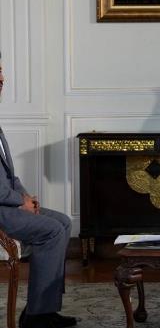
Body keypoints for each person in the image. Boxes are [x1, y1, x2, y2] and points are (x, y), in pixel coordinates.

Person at [0, 63, 77, 328]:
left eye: (1, 73)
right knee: (52, 231)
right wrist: (19, 202)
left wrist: (25, 197)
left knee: (63, 222)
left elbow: (9, 176)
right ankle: (36, 316)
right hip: (2, 209)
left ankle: (44, 309)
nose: (2, 79)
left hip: (8, 203)